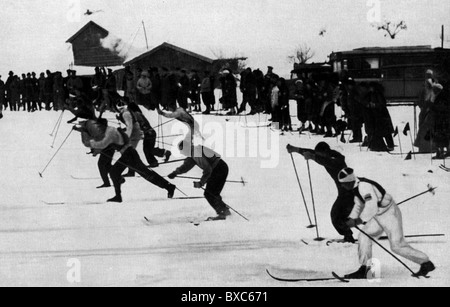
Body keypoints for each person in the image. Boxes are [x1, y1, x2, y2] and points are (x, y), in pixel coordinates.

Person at [337, 168, 435, 279]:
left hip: (390, 214)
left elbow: (371, 206)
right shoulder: (356, 188)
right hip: (378, 215)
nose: (342, 187)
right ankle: (366, 270)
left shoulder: (364, 186)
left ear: (349, 182)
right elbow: (358, 204)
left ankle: (426, 262)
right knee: (364, 236)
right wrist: (351, 218)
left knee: (397, 246)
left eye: (343, 184)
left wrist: (357, 221)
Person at [75, 119, 176, 203]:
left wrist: (90, 143)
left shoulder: (110, 133)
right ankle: (168, 186)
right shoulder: (110, 130)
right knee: (141, 173)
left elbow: (102, 144)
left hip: (129, 154)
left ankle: (168, 186)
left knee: (143, 173)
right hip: (128, 153)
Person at [287, 142, 356, 243]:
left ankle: (349, 236)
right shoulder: (328, 155)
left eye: (320, 155)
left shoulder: (337, 161)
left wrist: (313, 157)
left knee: (336, 215)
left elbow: (327, 161)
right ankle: (349, 233)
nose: (318, 156)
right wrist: (295, 149)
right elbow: (312, 153)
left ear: (326, 153)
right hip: (344, 194)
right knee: (339, 215)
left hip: (349, 194)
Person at [168, 141, 232, 221]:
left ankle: (223, 213)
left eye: (182, 150)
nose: (182, 153)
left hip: (219, 168)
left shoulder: (195, 152)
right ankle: (225, 211)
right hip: (219, 167)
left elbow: (208, 169)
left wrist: (201, 183)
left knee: (210, 193)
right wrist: (175, 173)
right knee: (212, 193)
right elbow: (186, 166)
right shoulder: (193, 153)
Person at [128, 102, 171, 168]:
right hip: (149, 132)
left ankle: (161, 155)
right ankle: (155, 160)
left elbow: (142, 123)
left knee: (147, 149)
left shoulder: (136, 114)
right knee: (147, 149)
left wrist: (143, 130)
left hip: (149, 133)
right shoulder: (137, 114)